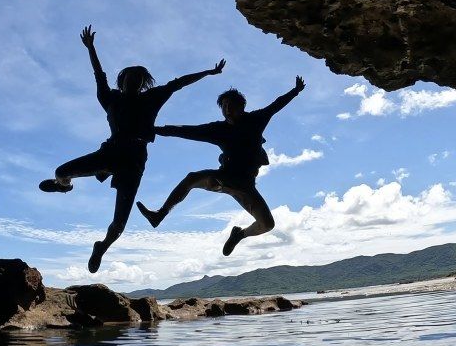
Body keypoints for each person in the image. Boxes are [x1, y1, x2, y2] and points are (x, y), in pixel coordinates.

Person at [39, 25, 225, 273]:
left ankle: (101, 247)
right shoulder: (110, 99)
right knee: (61, 171)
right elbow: (99, 75)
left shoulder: (152, 98)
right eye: (130, 78)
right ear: (123, 80)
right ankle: (65, 186)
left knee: (119, 223)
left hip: (134, 161)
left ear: (142, 84)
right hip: (109, 152)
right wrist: (91, 48)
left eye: (138, 80)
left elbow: (178, 83)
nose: (134, 82)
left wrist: (209, 72)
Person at [137, 76, 305, 256]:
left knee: (267, 224)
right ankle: (160, 214)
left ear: (242, 106)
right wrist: (156, 130)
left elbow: (276, 105)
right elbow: (185, 130)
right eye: (223, 106)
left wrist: (295, 91)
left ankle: (239, 235)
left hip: (245, 185)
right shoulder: (218, 129)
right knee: (192, 178)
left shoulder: (256, 120)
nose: (226, 110)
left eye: (230, 105)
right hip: (224, 178)